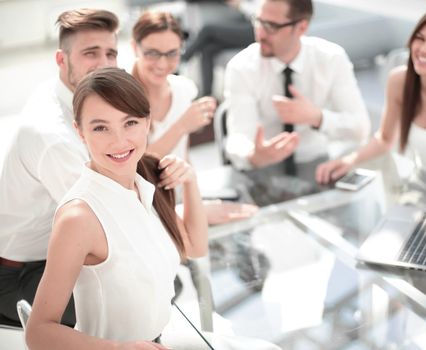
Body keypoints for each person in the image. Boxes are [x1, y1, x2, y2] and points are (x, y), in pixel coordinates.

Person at [26, 67, 281, 350]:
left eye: (130, 123)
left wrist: (191, 183)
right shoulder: (79, 217)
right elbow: (38, 332)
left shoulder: (144, 181)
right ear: (80, 132)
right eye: (100, 127)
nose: (119, 140)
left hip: (162, 338)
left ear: (147, 122)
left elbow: (195, 247)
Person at [0, 9, 119, 326]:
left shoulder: (69, 95)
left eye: (111, 53)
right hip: (18, 274)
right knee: (127, 302)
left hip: (53, 256)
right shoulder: (54, 136)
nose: (105, 63)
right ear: (61, 60)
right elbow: (105, 221)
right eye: (90, 53)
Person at [316, 6, 426, 212]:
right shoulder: (399, 80)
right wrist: (349, 161)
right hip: (421, 185)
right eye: (419, 38)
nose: (423, 49)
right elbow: (385, 139)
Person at [131, 11, 258, 224]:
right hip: (140, 208)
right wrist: (181, 126)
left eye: (172, 53)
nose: (163, 64)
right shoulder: (119, 96)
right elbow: (133, 166)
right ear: (135, 48)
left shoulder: (183, 89)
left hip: (178, 199)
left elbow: (184, 156)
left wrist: (195, 202)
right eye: (152, 53)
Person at [224, 0, 370, 181]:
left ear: (301, 27)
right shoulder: (241, 67)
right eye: (258, 21)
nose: (260, 33)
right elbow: (238, 136)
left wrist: (318, 117)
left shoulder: (331, 58)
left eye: (271, 26)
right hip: (263, 168)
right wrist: (252, 155)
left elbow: (360, 129)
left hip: (317, 164)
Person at [181, 0, 255, 96]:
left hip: (255, 30)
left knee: (208, 30)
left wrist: (240, 4)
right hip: (246, 25)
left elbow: (259, 12)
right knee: (208, 49)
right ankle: (207, 95)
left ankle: (181, 59)